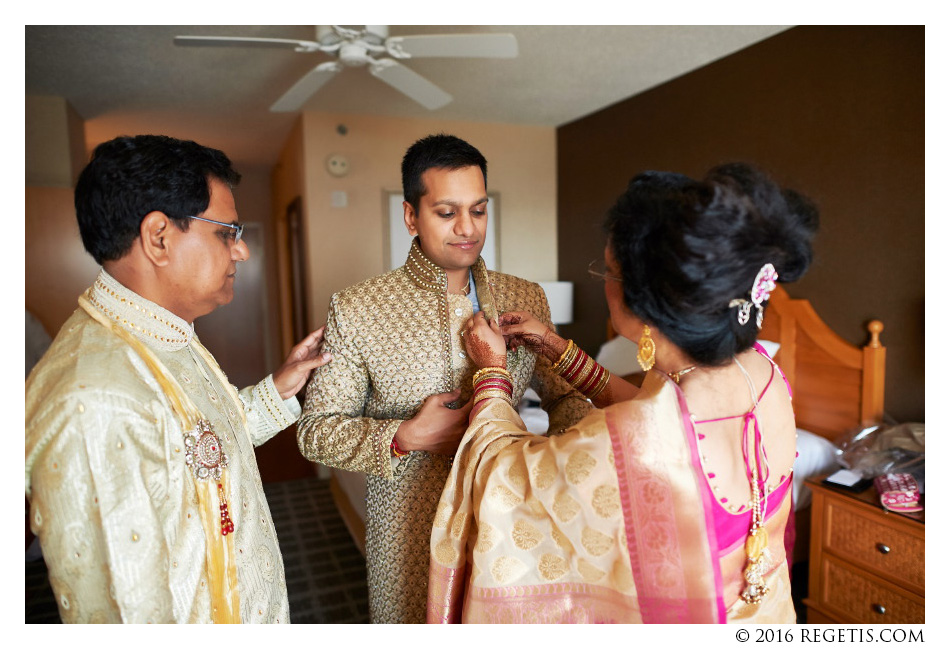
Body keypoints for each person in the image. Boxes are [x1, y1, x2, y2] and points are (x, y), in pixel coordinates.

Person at [428, 163, 818, 623]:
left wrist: (491, 371)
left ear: (646, 302)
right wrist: (556, 348)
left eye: (608, 272)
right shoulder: (761, 371)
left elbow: (503, 478)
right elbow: (646, 407)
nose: (605, 285)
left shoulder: (639, 437)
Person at [25, 134, 331, 624]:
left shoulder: (163, 334)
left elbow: (202, 450)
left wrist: (282, 384)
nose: (242, 251)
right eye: (227, 232)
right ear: (158, 237)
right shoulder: (95, 399)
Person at [296, 133, 593, 623]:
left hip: (509, 514)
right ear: (411, 216)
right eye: (446, 212)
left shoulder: (526, 297)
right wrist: (404, 436)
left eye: (478, 210)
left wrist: (545, 465)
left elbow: (570, 398)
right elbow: (315, 431)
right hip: (408, 522)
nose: (467, 229)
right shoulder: (359, 307)